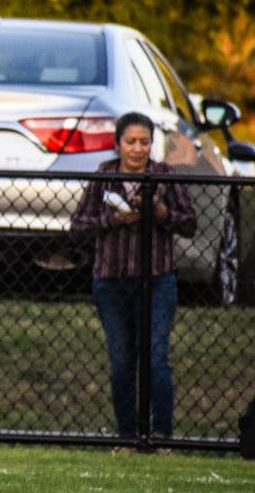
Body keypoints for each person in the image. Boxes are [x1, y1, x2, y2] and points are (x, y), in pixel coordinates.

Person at [69, 112, 195, 446]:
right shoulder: (105, 175)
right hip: (111, 279)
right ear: (118, 143)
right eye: (130, 142)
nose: (137, 149)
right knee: (122, 362)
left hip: (157, 278)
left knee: (155, 358)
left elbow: (189, 224)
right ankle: (127, 436)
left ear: (152, 144)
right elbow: (79, 226)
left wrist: (160, 212)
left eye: (144, 142)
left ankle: (161, 435)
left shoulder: (164, 176)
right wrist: (113, 219)